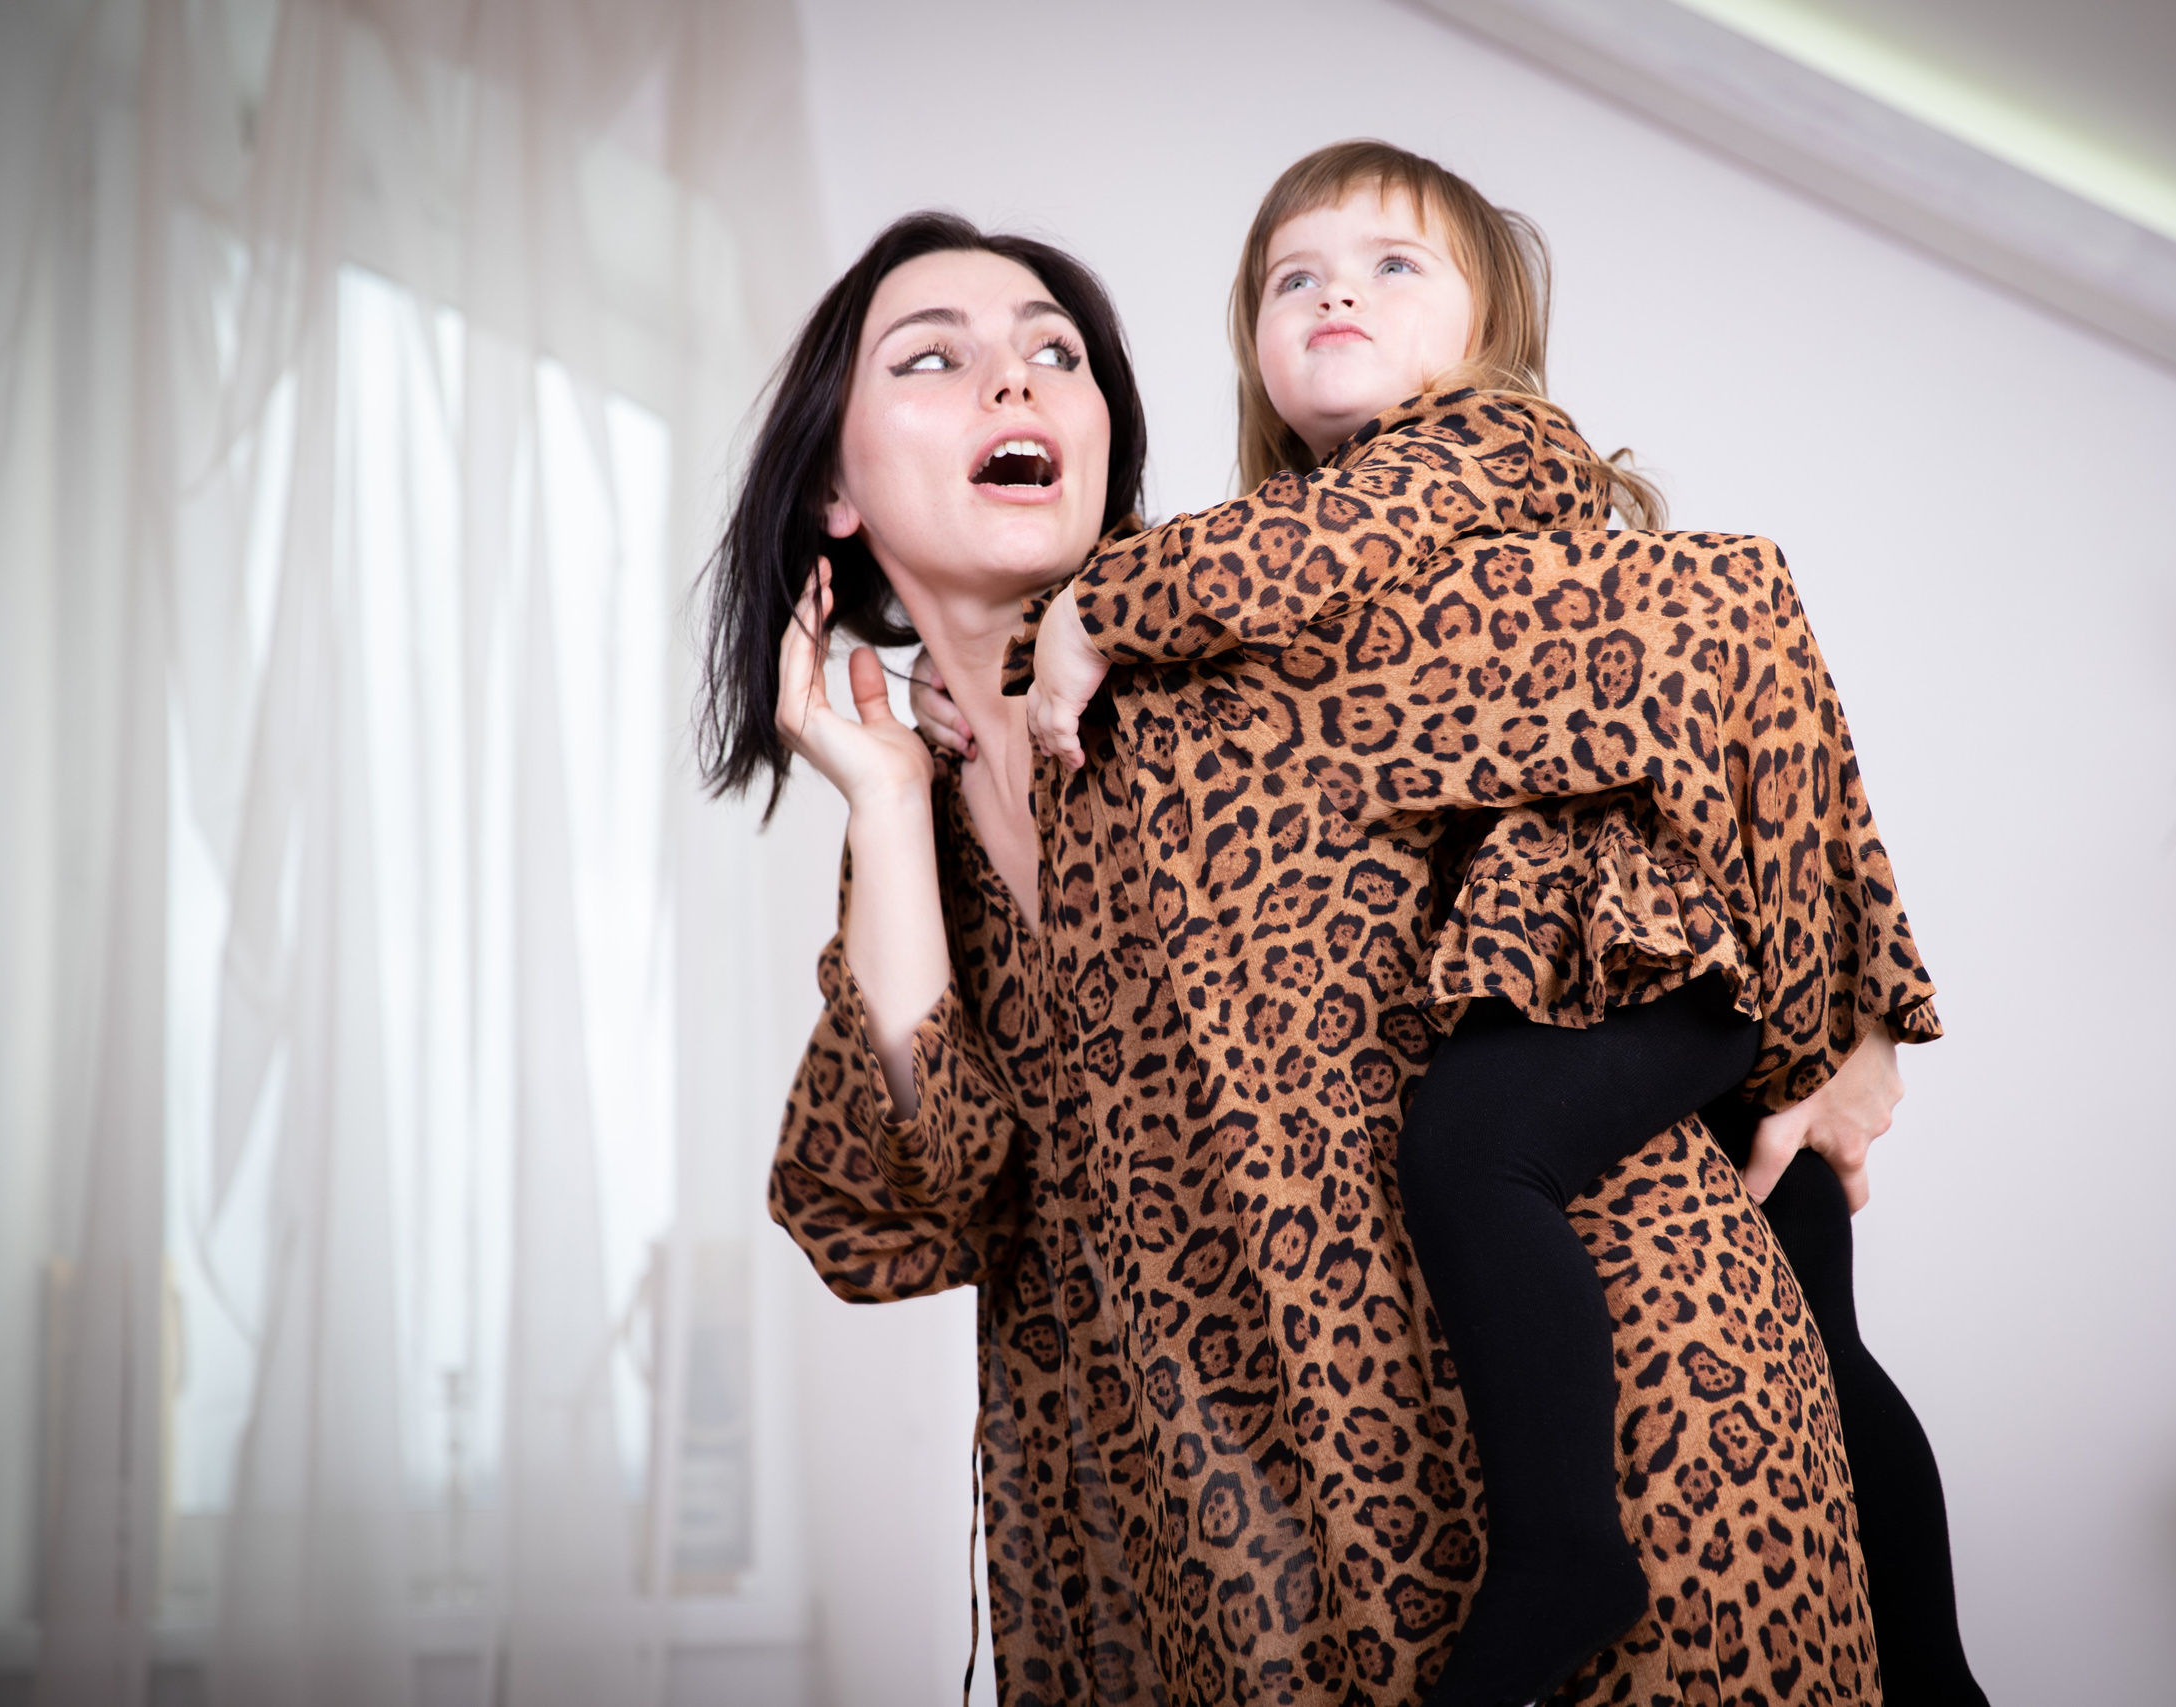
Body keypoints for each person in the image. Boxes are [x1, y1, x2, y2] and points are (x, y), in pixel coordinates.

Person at [709, 210, 1882, 1703]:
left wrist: (1847, 1022)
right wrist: (881, 805)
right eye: (935, 360)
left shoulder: (1263, 648)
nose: (1013, 383)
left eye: (1054, 354)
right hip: (1241, 1592)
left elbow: (1718, 627)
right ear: (829, 486)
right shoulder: (917, 846)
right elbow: (895, 1211)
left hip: (1642, 1497)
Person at [1014, 141, 1979, 1705]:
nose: (1338, 291)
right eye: (1295, 276)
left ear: (1490, 331)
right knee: (1827, 1332)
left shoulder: (1478, 445)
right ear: (1252, 342)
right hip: (1633, 953)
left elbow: (1294, 557)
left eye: (1397, 265)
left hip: (1645, 951)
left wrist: (1098, 609)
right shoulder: (1323, 551)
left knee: (1475, 1149)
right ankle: (1939, 1676)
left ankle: (1562, 1555)